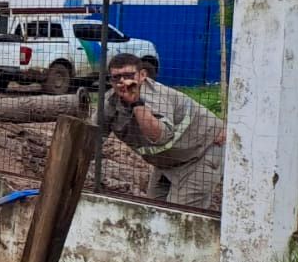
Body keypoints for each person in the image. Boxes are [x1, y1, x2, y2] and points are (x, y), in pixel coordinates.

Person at [94, 52, 225, 209]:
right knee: (153, 210)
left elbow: (162, 137)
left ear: (142, 75)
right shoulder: (109, 102)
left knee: (180, 216)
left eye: (128, 75)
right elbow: (92, 136)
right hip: (169, 161)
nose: (123, 81)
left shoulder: (154, 96)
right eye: (117, 77)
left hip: (202, 153)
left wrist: (136, 103)